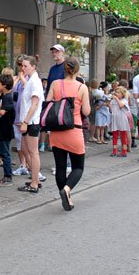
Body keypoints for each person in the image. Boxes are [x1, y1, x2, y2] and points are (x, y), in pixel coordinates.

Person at [46, 57, 90, 211]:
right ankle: (67, 189)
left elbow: (48, 103)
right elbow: (86, 111)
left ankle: (65, 194)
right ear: (77, 70)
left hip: (57, 131)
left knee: (60, 167)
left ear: (64, 69)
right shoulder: (81, 87)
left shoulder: (55, 84)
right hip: (74, 130)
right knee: (78, 166)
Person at [18, 55, 44, 193]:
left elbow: (34, 103)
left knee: (33, 152)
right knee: (27, 149)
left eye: (25, 66)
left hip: (31, 122)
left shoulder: (35, 82)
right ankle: (35, 179)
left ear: (33, 66)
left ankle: (35, 182)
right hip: (28, 121)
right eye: (22, 66)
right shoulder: (30, 80)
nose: (23, 68)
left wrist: (26, 122)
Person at [41, 44, 66, 152]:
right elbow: (49, 86)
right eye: (53, 52)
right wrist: (47, 101)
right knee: (53, 128)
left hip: (63, 102)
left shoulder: (66, 67)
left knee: (62, 130)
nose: (54, 54)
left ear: (62, 52)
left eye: (57, 51)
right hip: (52, 101)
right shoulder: (52, 69)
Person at [0, 74, 16, 185]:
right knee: (3, 152)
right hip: (2, 129)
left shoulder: (8, 97)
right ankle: (7, 175)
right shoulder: (3, 95)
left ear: (4, 85)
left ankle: (8, 176)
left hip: (5, 129)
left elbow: (2, 111)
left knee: (5, 153)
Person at [109, 86, 131, 157]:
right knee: (115, 134)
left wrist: (117, 99)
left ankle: (124, 151)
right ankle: (114, 150)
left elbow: (121, 105)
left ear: (122, 94)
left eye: (118, 93)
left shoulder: (124, 100)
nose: (116, 94)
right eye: (116, 92)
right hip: (115, 119)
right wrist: (110, 102)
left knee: (123, 135)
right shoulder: (113, 101)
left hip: (122, 119)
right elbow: (111, 110)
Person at [89, 79, 107, 144]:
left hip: (90, 106)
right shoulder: (96, 92)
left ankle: (92, 136)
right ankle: (92, 136)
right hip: (94, 107)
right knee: (93, 122)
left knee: (92, 122)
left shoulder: (90, 90)